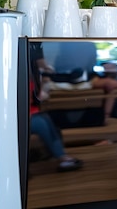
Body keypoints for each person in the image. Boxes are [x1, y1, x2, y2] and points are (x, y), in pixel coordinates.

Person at [29, 43, 83, 172]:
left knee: (48, 120)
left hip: (31, 113)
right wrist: (40, 96)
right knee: (42, 124)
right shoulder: (26, 76)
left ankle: (61, 156)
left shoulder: (33, 76)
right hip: (24, 117)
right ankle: (60, 157)